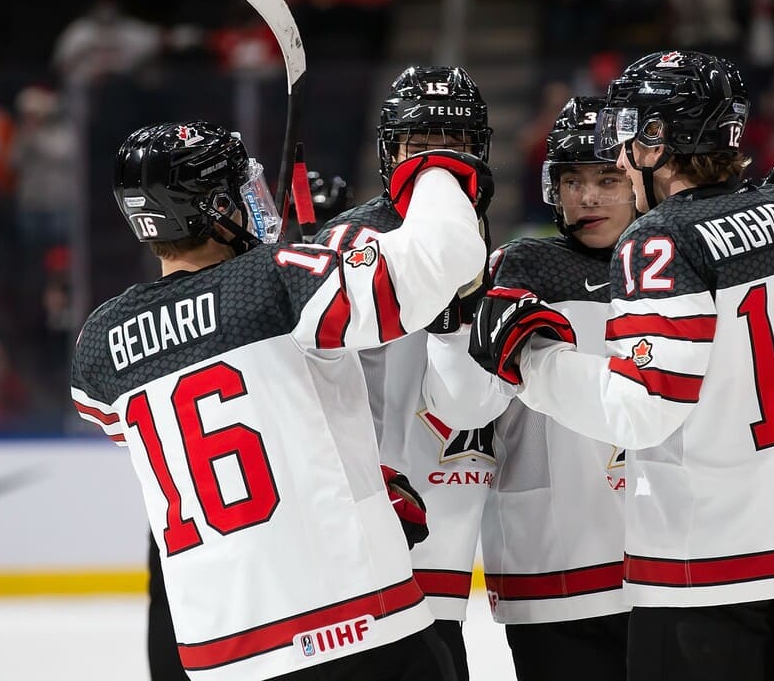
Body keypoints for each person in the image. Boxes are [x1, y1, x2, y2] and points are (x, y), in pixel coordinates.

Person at [468, 50, 774, 680]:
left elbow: (641, 408)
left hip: (707, 576)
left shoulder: (661, 238)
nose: (618, 153)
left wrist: (531, 360)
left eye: (629, 132)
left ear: (660, 141)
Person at [71, 120, 491, 680]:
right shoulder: (276, 282)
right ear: (217, 205)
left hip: (220, 653)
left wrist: (354, 482)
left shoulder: (99, 344)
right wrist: (436, 163)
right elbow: (442, 258)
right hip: (355, 625)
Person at [423, 97, 633, 681]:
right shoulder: (521, 265)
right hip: (552, 566)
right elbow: (464, 404)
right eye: (573, 180)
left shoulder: (679, 261)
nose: (586, 197)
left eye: (607, 179)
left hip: (668, 564)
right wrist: (457, 319)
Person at [313, 67, 493, 681]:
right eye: (421, 146)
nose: (438, 163)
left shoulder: (489, 244)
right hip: (369, 525)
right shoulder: (347, 240)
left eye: (456, 144)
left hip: (446, 526)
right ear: (392, 149)